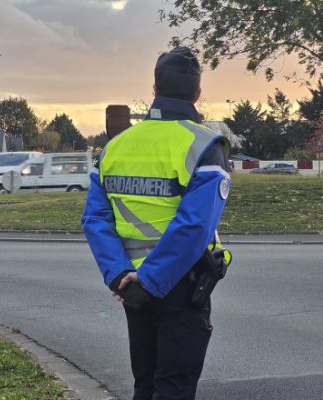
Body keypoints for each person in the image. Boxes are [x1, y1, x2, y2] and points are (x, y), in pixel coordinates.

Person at [82, 47, 231, 400]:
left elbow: (95, 218)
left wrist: (121, 276)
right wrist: (150, 280)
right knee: (174, 387)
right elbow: (194, 226)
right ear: (197, 93)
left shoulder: (115, 148)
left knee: (145, 384)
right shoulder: (204, 145)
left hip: (131, 288)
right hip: (180, 284)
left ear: (154, 89)